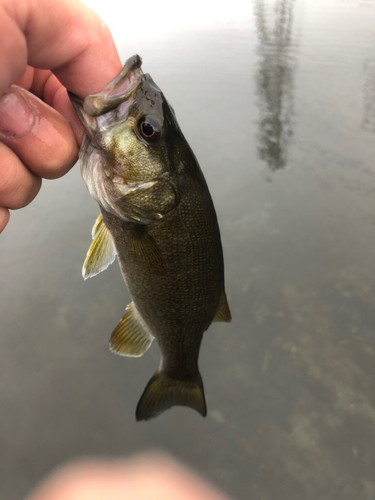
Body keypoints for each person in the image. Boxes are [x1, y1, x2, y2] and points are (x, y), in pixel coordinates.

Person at [0, 1, 228, 498]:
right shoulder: (137, 207)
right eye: (149, 129)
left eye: (147, 130)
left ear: (161, 190)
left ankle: (179, 372)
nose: (143, 123)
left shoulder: (139, 209)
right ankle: (181, 372)